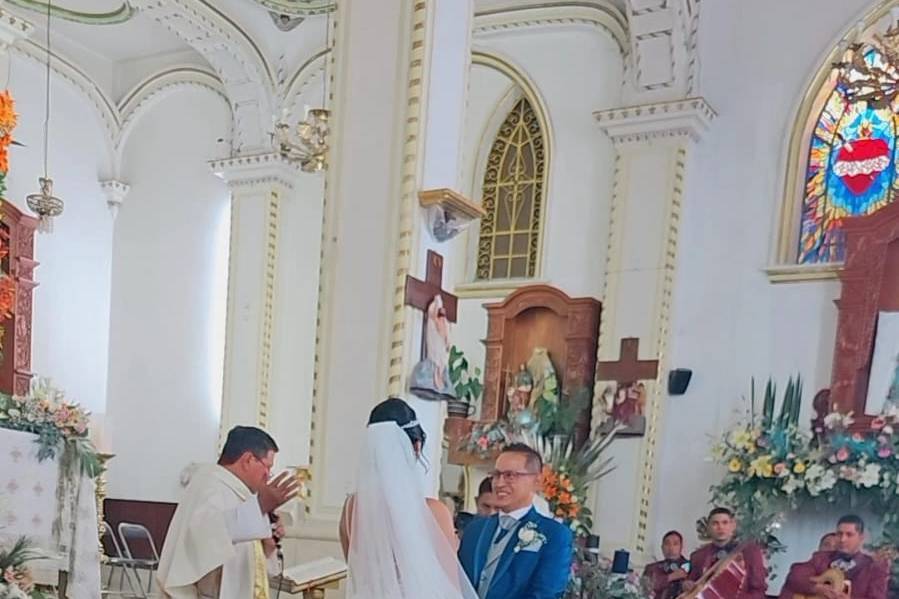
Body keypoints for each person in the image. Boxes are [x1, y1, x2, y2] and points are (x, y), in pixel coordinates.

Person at [339, 397, 477, 598]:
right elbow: (450, 584)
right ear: (416, 446)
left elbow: (355, 568)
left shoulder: (352, 508)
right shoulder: (434, 512)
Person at [157, 426, 300, 599]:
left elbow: (248, 568)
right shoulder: (210, 486)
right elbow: (203, 537)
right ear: (248, 460)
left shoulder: (238, 493)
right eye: (267, 467)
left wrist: (267, 546)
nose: (268, 475)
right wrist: (260, 506)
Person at [458, 443, 573, 599]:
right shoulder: (476, 528)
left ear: (537, 481)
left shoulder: (554, 535)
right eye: (496, 475)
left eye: (510, 476)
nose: (499, 483)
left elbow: (546, 593)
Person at [779, 515, 888, 599]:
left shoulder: (873, 567)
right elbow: (795, 576)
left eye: (849, 535)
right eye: (839, 534)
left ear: (861, 537)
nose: (842, 539)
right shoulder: (821, 558)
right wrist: (815, 588)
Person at [684, 507, 767, 599]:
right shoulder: (698, 556)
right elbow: (692, 584)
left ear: (733, 525)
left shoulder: (750, 552)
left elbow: (758, 589)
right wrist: (687, 585)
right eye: (715, 523)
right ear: (708, 527)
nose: (720, 527)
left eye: (725, 523)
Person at [643, 530, 690, 599]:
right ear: (662, 547)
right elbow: (645, 588)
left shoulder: (690, 567)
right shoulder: (651, 568)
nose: (671, 548)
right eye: (667, 544)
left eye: (675, 544)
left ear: (681, 547)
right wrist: (671, 577)